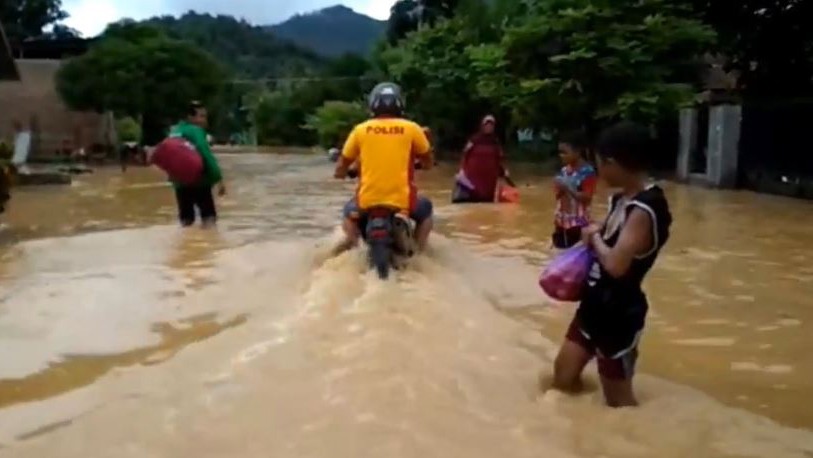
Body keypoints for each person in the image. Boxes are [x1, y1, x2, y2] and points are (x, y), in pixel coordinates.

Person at [551, 121, 672, 407]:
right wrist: (591, 233)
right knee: (562, 378)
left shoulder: (645, 208)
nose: (598, 171)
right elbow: (600, 232)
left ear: (614, 163)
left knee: (619, 404)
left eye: (600, 164)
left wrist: (595, 238)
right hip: (594, 306)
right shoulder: (621, 199)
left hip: (619, 316)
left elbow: (616, 265)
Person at [333, 82, 433, 256]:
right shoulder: (413, 128)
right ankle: (419, 253)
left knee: (348, 215)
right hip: (403, 202)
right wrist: (424, 166)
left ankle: (353, 246)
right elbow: (428, 161)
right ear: (400, 104)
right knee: (426, 212)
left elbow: (343, 163)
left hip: (366, 202)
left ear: (373, 104)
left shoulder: (360, 130)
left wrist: (340, 174)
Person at [168, 101, 226, 227]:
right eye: (201, 116)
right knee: (209, 219)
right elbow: (205, 154)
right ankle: (211, 245)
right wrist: (218, 178)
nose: (204, 120)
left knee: (186, 221)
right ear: (190, 117)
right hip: (200, 181)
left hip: (180, 184)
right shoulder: (196, 131)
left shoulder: (174, 132)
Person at [552, 131, 598, 249]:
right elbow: (558, 197)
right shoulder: (564, 171)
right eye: (560, 152)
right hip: (561, 222)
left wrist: (567, 188)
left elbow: (587, 198)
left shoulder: (588, 173)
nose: (561, 155)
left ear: (577, 152)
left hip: (578, 225)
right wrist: (559, 189)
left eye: (565, 152)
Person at [459, 115, 508, 202]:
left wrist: (504, 171)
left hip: (489, 178)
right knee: (472, 198)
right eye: (487, 125)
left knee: (487, 199)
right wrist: (462, 170)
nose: (489, 127)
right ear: (482, 126)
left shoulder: (495, 142)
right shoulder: (474, 140)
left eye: (491, 125)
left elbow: (499, 158)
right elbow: (465, 154)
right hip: (473, 176)